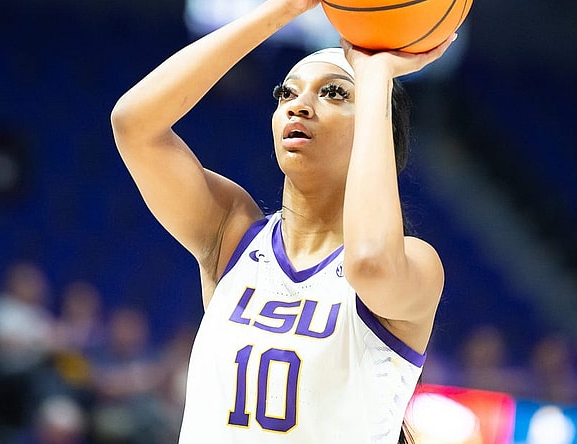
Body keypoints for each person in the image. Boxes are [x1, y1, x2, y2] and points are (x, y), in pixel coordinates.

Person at [110, 0, 454, 442]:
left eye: (334, 93)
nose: (299, 106)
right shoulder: (231, 231)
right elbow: (133, 124)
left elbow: (368, 261)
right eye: (286, 93)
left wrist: (374, 76)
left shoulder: (416, 264)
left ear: (377, 126)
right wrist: (285, 9)